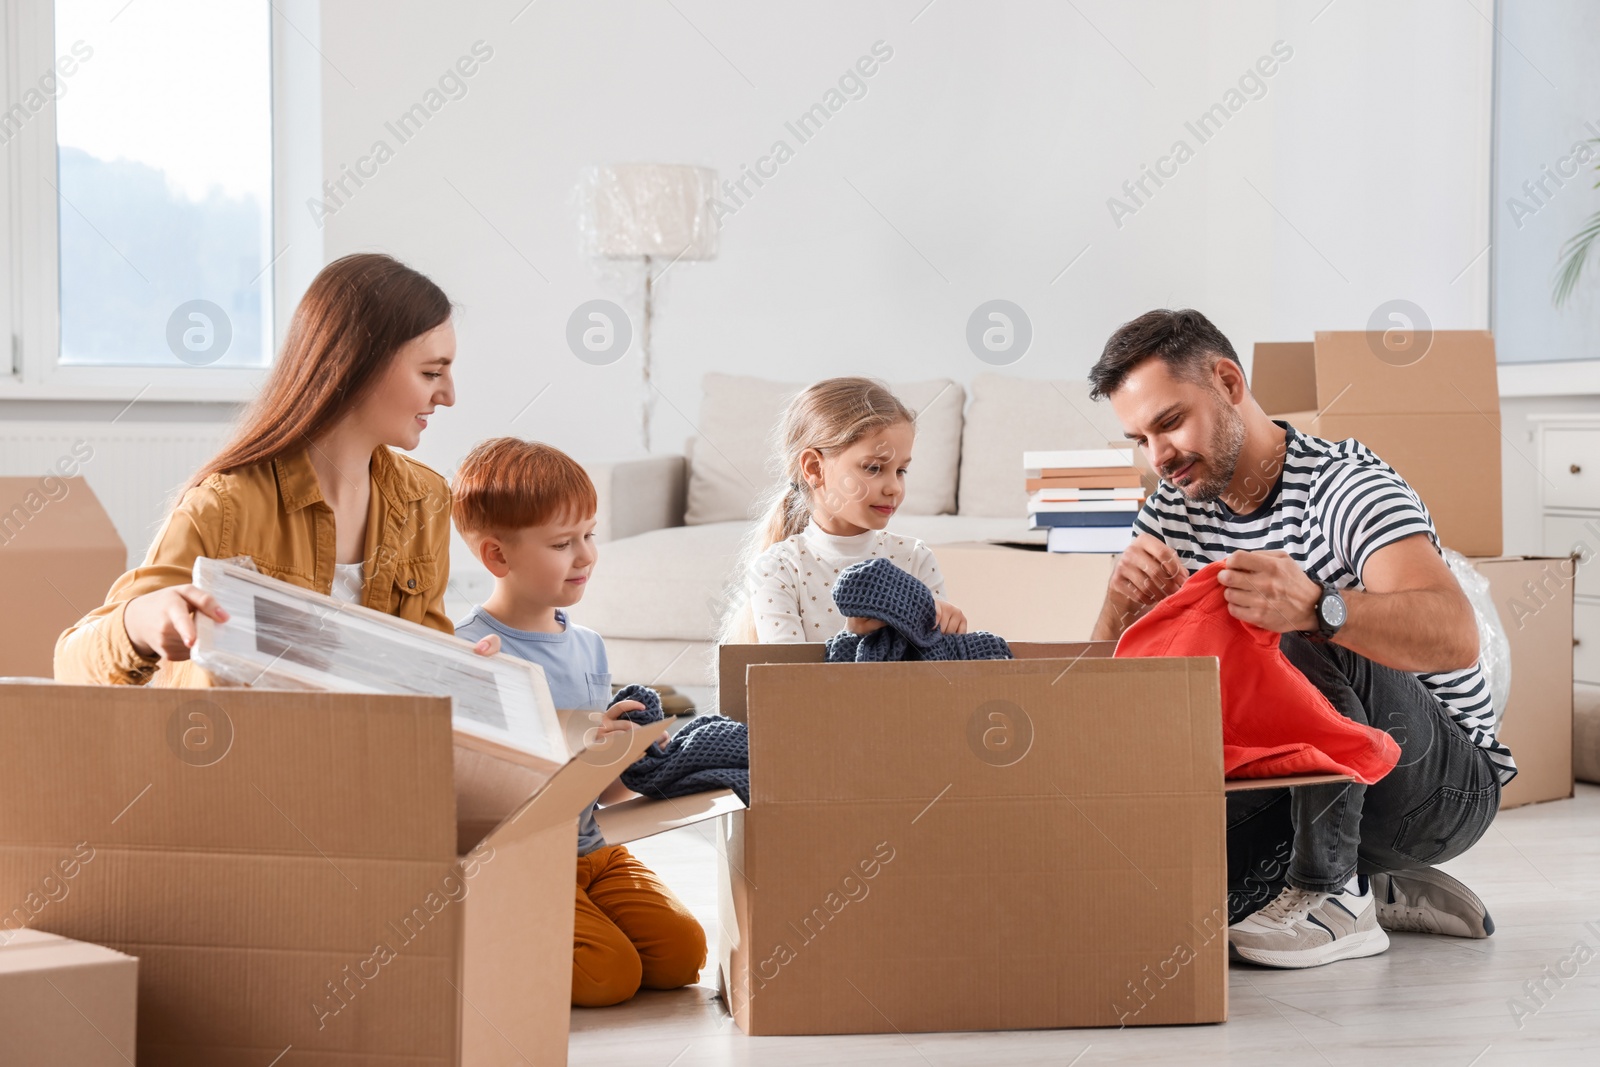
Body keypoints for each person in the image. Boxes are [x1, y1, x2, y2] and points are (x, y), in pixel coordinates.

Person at [1086, 308, 1512, 969]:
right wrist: (1121, 606)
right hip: (1299, 776)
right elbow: (1110, 689)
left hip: (1437, 785)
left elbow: (1455, 635)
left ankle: (1333, 891)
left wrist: (1320, 607)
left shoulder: (1346, 485)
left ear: (1229, 382)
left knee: (1278, 620)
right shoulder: (1174, 502)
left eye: (1169, 422)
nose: (1158, 456)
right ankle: (1379, 874)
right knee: (1159, 893)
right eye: (1140, 438)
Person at [54, 252, 503, 685]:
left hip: (367, 752)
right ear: (358, 364)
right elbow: (74, 663)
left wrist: (460, 670)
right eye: (430, 373)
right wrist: (141, 622)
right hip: (245, 755)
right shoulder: (225, 506)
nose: (448, 395)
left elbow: (423, 665)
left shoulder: (427, 498)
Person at [451, 437, 707, 1007]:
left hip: (592, 849)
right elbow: (476, 790)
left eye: (590, 534)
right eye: (564, 543)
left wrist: (630, 753)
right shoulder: (471, 651)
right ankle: (483, 935)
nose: (587, 555)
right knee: (606, 976)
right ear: (498, 557)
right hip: (524, 858)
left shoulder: (588, 646)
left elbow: (606, 793)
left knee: (681, 955)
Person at [721, 376, 967, 645]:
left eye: (901, 470)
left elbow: (932, 671)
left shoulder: (915, 558)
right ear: (814, 468)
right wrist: (854, 637)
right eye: (873, 468)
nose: (894, 487)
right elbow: (790, 680)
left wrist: (944, 637)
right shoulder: (779, 569)